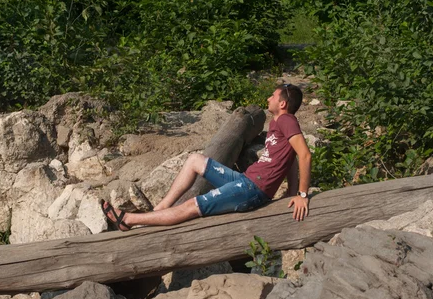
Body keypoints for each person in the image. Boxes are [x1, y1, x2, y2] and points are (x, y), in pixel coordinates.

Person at [101, 84, 312, 231]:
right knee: (194, 160)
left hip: (252, 191)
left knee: (192, 205)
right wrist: (290, 193)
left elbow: (304, 154)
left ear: (283, 103)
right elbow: (290, 158)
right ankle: (160, 210)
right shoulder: (277, 123)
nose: (268, 98)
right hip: (244, 181)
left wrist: (301, 195)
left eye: (273, 96)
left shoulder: (287, 121)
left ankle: (128, 219)